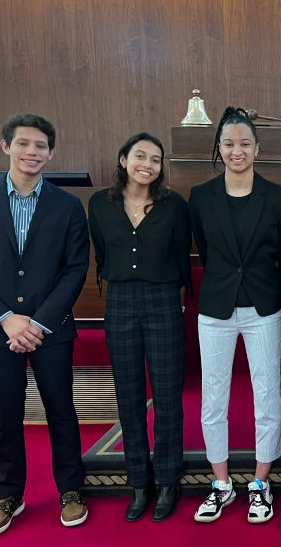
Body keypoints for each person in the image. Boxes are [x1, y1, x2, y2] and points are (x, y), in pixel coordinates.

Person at [0, 113, 89, 536]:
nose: (33, 152)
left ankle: (71, 490)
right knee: (4, 415)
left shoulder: (67, 206)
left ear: (51, 153)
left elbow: (75, 270)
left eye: (41, 146)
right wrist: (8, 319)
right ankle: (9, 494)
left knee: (62, 411)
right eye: (24, 144)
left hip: (52, 330)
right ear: (6, 146)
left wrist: (39, 322)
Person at [189, 107, 281, 525]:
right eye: (229, 143)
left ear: (257, 148)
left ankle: (260, 483)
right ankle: (221, 483)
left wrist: (272, 297)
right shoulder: (201, 196)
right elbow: (206, 251)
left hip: (263, 307)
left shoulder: (279, 196)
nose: (237, 151)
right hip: (215, 307)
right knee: (214, 397)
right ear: (219, 147)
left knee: (266, 394)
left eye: (245, 143)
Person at [88, 132, 192, 522]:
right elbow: (101, 250)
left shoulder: (174, 205)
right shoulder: (100, 204)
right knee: (128, 394)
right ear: (123, 159)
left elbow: (181, 253)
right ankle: (138, 481)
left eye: (156, 159)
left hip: (164, 299)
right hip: (120, 302)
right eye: (140, 156)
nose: (147, 164)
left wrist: (177, 297)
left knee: (167, 396)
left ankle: (167, 480)